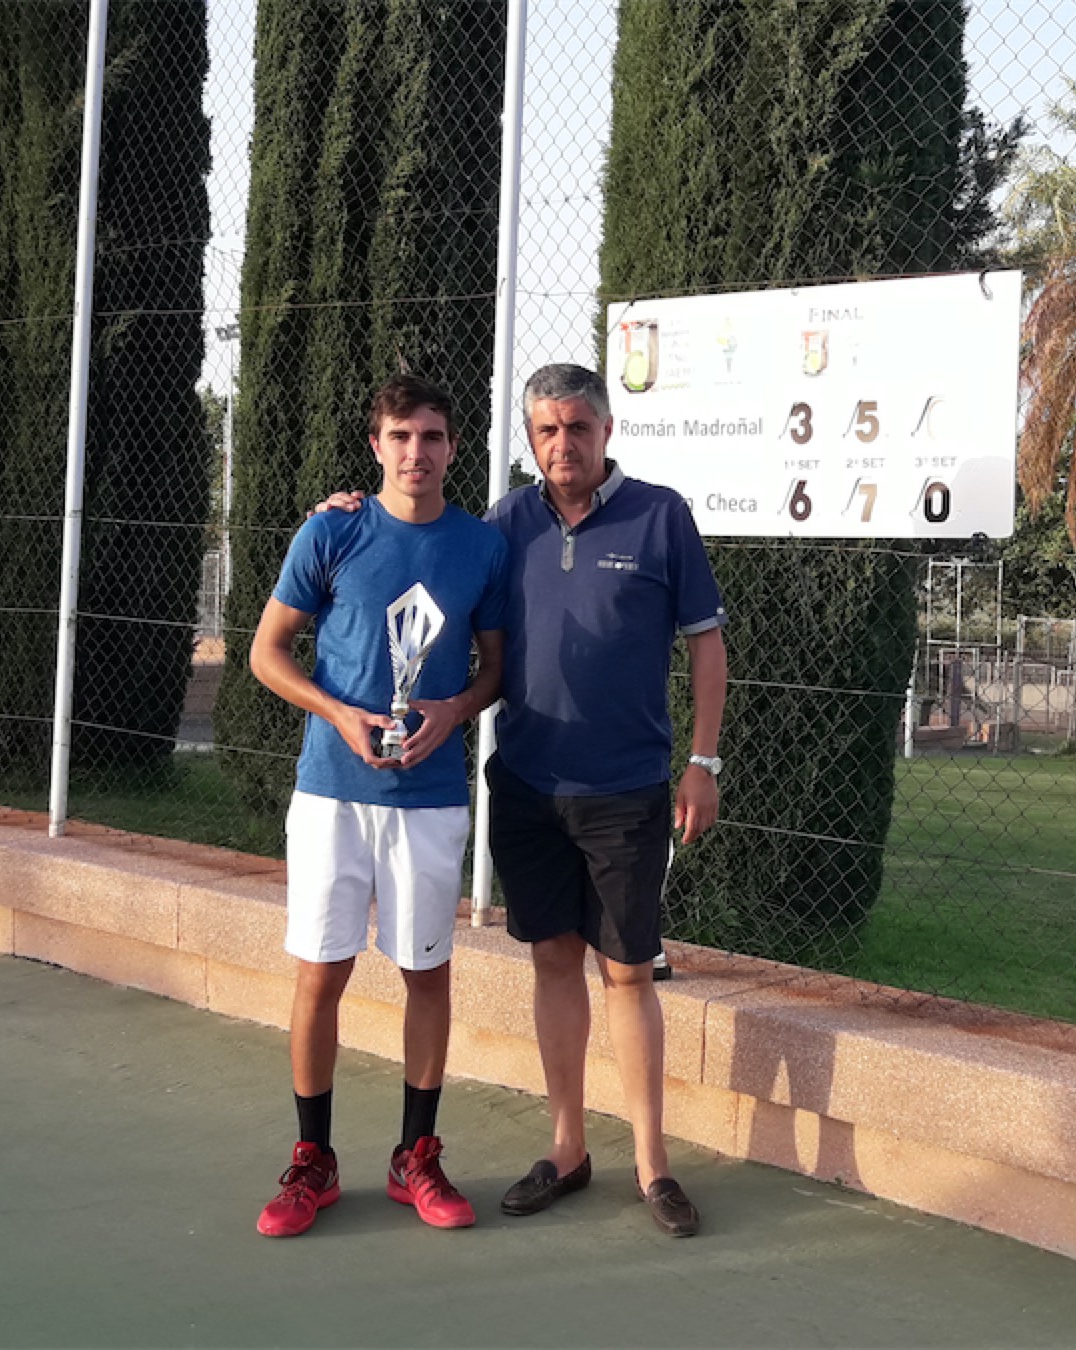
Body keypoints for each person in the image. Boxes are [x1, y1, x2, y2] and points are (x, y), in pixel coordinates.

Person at [317, 361, 728, 1237]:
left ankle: (653, 1165)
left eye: (577, 426)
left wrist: (703, 760)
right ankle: (567, 1149)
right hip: (528, 788)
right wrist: (342, 512)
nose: (562, 442)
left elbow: (706, 645)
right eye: (546, 429)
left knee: (628, 973)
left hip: (626, 790)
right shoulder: (505, 523)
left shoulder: (662, 516)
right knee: (552, 962)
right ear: (530, 438)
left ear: (606, 431)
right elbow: (427, 543)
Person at [246, 374, 510, 1238]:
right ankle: (312, 1161)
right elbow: (266, 654)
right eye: (399, 436)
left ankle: (415, 1157)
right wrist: (337, 712)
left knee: (425, 974)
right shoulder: (332, 530)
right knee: (321, 973)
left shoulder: (481, 548)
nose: (415, 452)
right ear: (376, 446)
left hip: (429, 800)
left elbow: (495, 670)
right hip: (332, 792)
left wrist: (454, 711)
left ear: (453, 448)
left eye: (431, 436)